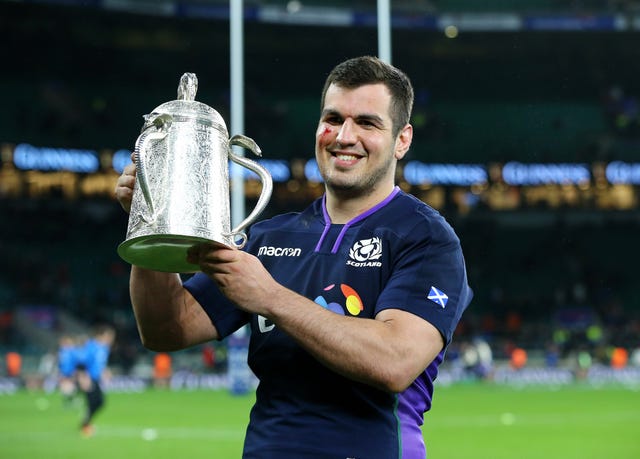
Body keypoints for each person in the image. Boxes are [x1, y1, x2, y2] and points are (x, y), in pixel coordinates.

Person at [115, 56, 473, 458]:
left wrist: (270, 297)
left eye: (367, 123)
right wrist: (150, 225)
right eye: (333, 119)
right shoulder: (270, 236)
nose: (344, 136)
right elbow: (166, 327)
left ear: (402, 140)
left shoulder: (426, 238)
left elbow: (394, 361)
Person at [75, 325, 115, 437]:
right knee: (95, 401)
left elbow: (99, 363)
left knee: (99, 402)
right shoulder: (91, 346)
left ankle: (86, 422)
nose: (111, 339)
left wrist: (105, 371)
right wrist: (83, 378)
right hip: (88, 378)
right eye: (110, 336)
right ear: (102, 335)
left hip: (95, 378)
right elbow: (82, 362)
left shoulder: (104, 348)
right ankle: (85, 425)